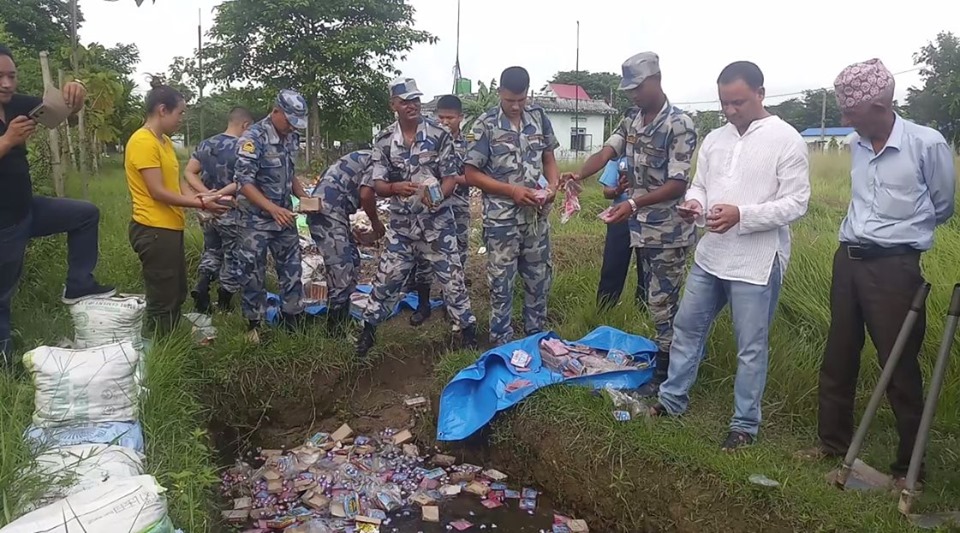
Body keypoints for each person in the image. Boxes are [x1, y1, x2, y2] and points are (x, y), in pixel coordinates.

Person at [798, 59, 955, 486]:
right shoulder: (855, 144)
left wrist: (901, 236)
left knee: (899, 365)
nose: (846, 119)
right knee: (839, 354)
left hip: (895, 268)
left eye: (852, 112)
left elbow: (942, 206)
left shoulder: (927, 144)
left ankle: (910, 468)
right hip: (847, 260)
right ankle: (832, 443)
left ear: (881, 105)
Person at [647, 61, 811, 451]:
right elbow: (701, 185)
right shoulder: (716, 139)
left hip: (756, 261)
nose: (730, 110)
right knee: (687, 328)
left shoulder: (786, 139)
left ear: (761, 94)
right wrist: (693, 203)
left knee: (750, 346)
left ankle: (743, 425)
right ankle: (671, 401)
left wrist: (744, 215)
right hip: (712, 254)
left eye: (738, 102)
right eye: (724, 103)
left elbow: (797, 202)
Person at [561, 52, 698, 394]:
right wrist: (578, 173)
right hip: (639, 228)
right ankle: (666, 361)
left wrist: (634, 202)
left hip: (667, 231)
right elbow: (606, 153)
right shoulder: (631, 121)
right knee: (655, 300)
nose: (633, 95)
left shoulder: (678, 124)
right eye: (629, 90)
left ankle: (667, 373)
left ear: (656, 79)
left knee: (662, 302)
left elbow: (678, 182)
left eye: (638, 87)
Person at [0, 45, 114, 366]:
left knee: (85, 215)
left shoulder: (16, 105)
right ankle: (5, 364)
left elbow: (59, 112)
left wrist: (75, 94)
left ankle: (78, 284)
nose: (7, 84)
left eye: (12, 76)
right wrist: (7, 141)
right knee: (1, 298)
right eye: (0, 77)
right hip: (4, 225)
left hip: (28, 209)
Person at [356, 77, 478, 357]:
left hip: (437, 226)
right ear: (393, 105)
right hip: (402, 228)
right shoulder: (384, 140)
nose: (412, 105)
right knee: (386, 280)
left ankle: (469, 335)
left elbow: (450, 179)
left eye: (416, 100)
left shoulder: (438, 134)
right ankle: (368, 333)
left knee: (453, 281)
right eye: (405, 101)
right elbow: (377, 185)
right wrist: (394, 188)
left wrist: (436, 197)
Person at [464, 66, 560, 346]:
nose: (516, 106)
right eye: (510, 101)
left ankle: (536, 339)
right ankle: (502, 344)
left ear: (528, 93)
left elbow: (549, 159)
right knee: (501, 286)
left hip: (536, 219)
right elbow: (471, 173)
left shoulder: (539, 118)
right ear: (500, 94)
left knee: (538, 281)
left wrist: (552, 187)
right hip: (502, 221)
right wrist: (511, 190)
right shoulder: (484, 124)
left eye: (521, 99)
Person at [125, 78, 228, 335]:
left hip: (169, 227)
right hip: (153, 229)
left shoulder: (164, 142)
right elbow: (158, 192)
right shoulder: (143, 142)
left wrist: (201, 203)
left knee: (177, 289)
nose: (182, 118)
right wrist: (198, 202)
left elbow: (176, 182)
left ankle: (171, 340)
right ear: (162, 110)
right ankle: (160, 349)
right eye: (180, 112)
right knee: (163, 297)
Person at [234, 89, 310, 343]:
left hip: (284, 216)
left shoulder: (291, 137)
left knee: (291, 267)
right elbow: (244, 182)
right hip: (255, 219)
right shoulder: (252, 138)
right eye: (288, 121)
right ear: (275, 111)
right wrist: (271, 209)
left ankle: (292, 318)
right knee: (253, 271)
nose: (291, 127)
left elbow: (290, 175)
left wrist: (305, 197)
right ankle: (255, 323)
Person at [406, 94, 471, 329]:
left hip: (458, 207)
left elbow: (474, 175)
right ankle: (422, 304)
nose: (445, 121)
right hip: (431, 209)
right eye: (441, 117)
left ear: (460, 118)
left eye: (450, 118)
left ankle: (451, 306)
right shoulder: (427, 141)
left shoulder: (469, 144)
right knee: (423, 256)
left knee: (457, 257)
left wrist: (452, 179)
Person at [183, 106, 254, 313]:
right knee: (233, 255)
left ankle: (202, 285)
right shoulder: (245, 148)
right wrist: (220, 196)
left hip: (208, 209)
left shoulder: (207, 144)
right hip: (232, 209)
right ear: (245, 125)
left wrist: (207, 194)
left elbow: (189, 172)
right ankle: (224, 301)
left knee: (212, 250)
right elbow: (243, 180)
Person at [307, 149, 385, 335]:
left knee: (353, 261)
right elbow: (366, 194)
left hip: (335, 211)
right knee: (341, 271)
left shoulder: (370, 156)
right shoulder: (380, 160)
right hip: (327, 213)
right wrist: (375, 222)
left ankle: (344, 318)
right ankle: (335, 331)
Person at [595, 156, 646, 309]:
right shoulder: (618, 156)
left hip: (647, 218)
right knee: (613, 266)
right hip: (620, 217)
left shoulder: (654, 151)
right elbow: (607, 191)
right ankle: (604, 311)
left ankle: (644, 313)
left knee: (647, 269)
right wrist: (619, 189)